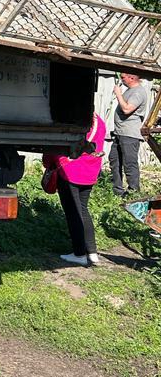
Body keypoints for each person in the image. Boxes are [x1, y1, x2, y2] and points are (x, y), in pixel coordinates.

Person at [43, 111, 106, 266]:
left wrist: (48, 161)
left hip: (71, 171)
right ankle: (92, 252)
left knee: (74, 214)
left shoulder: (74, 122)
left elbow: (56, 146)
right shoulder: (99, 121)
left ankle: (79, 254)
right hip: (90, 171)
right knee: (83, 210)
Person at [109, 72, 148, 198]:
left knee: (129, 164)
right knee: (114, 160)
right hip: (120, 133)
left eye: (123, 77)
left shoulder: (138, 92)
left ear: (132, 77)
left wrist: (119, 94)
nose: (121, 79)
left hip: (130, 134)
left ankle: (133, 193)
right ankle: (118, 191)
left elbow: (127, 109)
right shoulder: (130, 90)